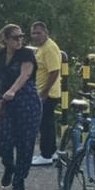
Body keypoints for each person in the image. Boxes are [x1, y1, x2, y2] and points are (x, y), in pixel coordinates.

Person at [0, 24, 41, 190]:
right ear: (5, 39)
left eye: (21, 36)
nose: (19, 40)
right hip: (5, 103)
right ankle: (9, 166)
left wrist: (13, 90)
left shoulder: (26, 54)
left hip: (26, 102)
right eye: (15, 37)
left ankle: (19, 181)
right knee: (2, 141)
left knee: (25, 143)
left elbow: (25, 74)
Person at [30, 21, 63, 166]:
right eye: (33, 33)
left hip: (48, 93)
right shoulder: (41, 48)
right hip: (44, 91)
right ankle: (52, 152)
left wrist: (44, 92)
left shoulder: (49, 48)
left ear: (46, 33)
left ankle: (46, 155)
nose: (36, 36)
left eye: (39, 33)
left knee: (44, 124)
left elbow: (54, 71)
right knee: (48, 123)